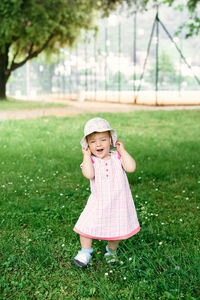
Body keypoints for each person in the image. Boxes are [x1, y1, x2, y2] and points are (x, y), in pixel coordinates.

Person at [73, 117, 140, 268]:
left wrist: (122, 150)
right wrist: (86, 156)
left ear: (111, 141)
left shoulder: (117, 157)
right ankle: (85, 251)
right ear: (87, 146)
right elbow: (89, 174)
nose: (98, 144)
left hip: (118, 203)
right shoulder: (91, 161)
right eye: (92, 141)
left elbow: (131, 168)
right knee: (85, 226)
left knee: (116, 228)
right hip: (98, 203)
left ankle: (111, 251)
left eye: (103, 139)